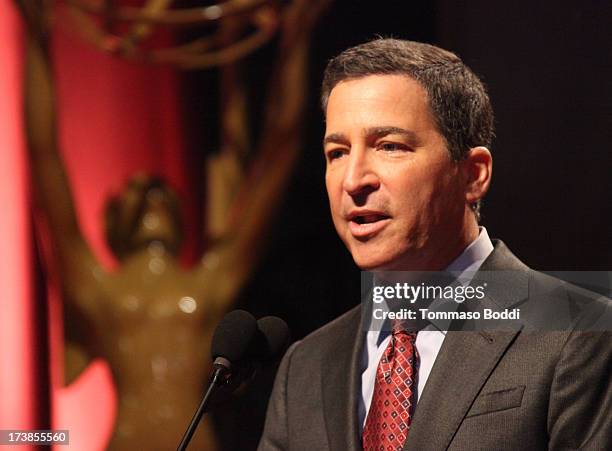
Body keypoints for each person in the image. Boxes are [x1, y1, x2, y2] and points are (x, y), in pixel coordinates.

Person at [258, 39, 612, 451]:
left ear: (473, 175)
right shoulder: (304, 367)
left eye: (390, 146)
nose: (353, 180)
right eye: (337, 153)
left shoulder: (579, 334)